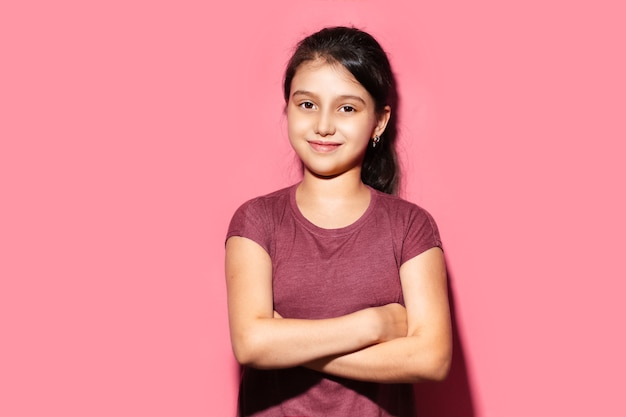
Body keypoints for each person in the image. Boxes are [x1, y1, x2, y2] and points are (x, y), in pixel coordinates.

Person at [225, 26, 452, 417]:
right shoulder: (256, 220)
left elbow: (431, 358)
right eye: (307, 104)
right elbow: (251, 343)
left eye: (347, 108)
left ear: (379, 122)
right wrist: (373, 326)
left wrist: (289, 343)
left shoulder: (410, 226)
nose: (324, 125)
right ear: (288, 109)